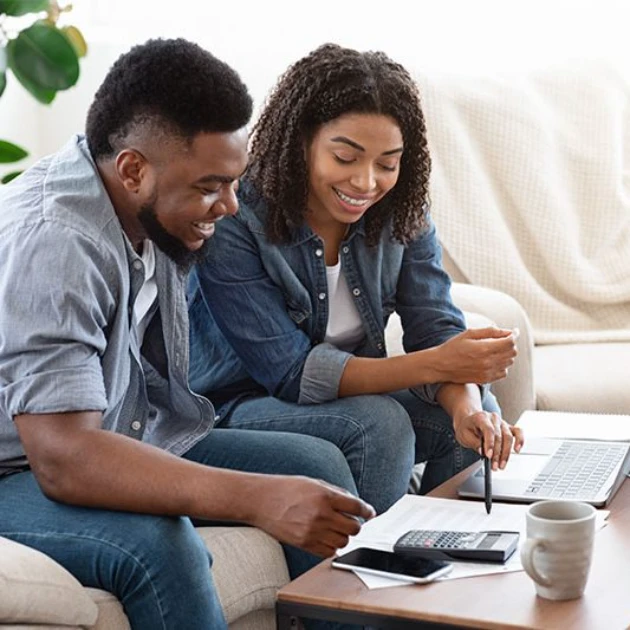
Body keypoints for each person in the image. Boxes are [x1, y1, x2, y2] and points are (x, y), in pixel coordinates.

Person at [0, 38, 375, 630]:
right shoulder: (59, 242)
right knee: (160, 542)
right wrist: (256, 498)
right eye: (209, 186)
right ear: (132, 169)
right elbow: (65, 457)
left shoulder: (149, 212)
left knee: (315, 464)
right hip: (20, 465)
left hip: (118, 427)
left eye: (232, 183)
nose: (228, 206)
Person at [188, 43, 525, 514]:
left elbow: (434, 327)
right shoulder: (238, 215)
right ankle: (368, 578)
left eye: (387, 164)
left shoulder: (400, 213)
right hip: (236, 406)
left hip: (336, 402)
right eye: (346, 158)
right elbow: (289, 373)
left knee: (477, 415)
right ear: (301, 140)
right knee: (379, 424)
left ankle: (441, 561)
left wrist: (467, 405)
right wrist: (440, 363)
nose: (366, 183)